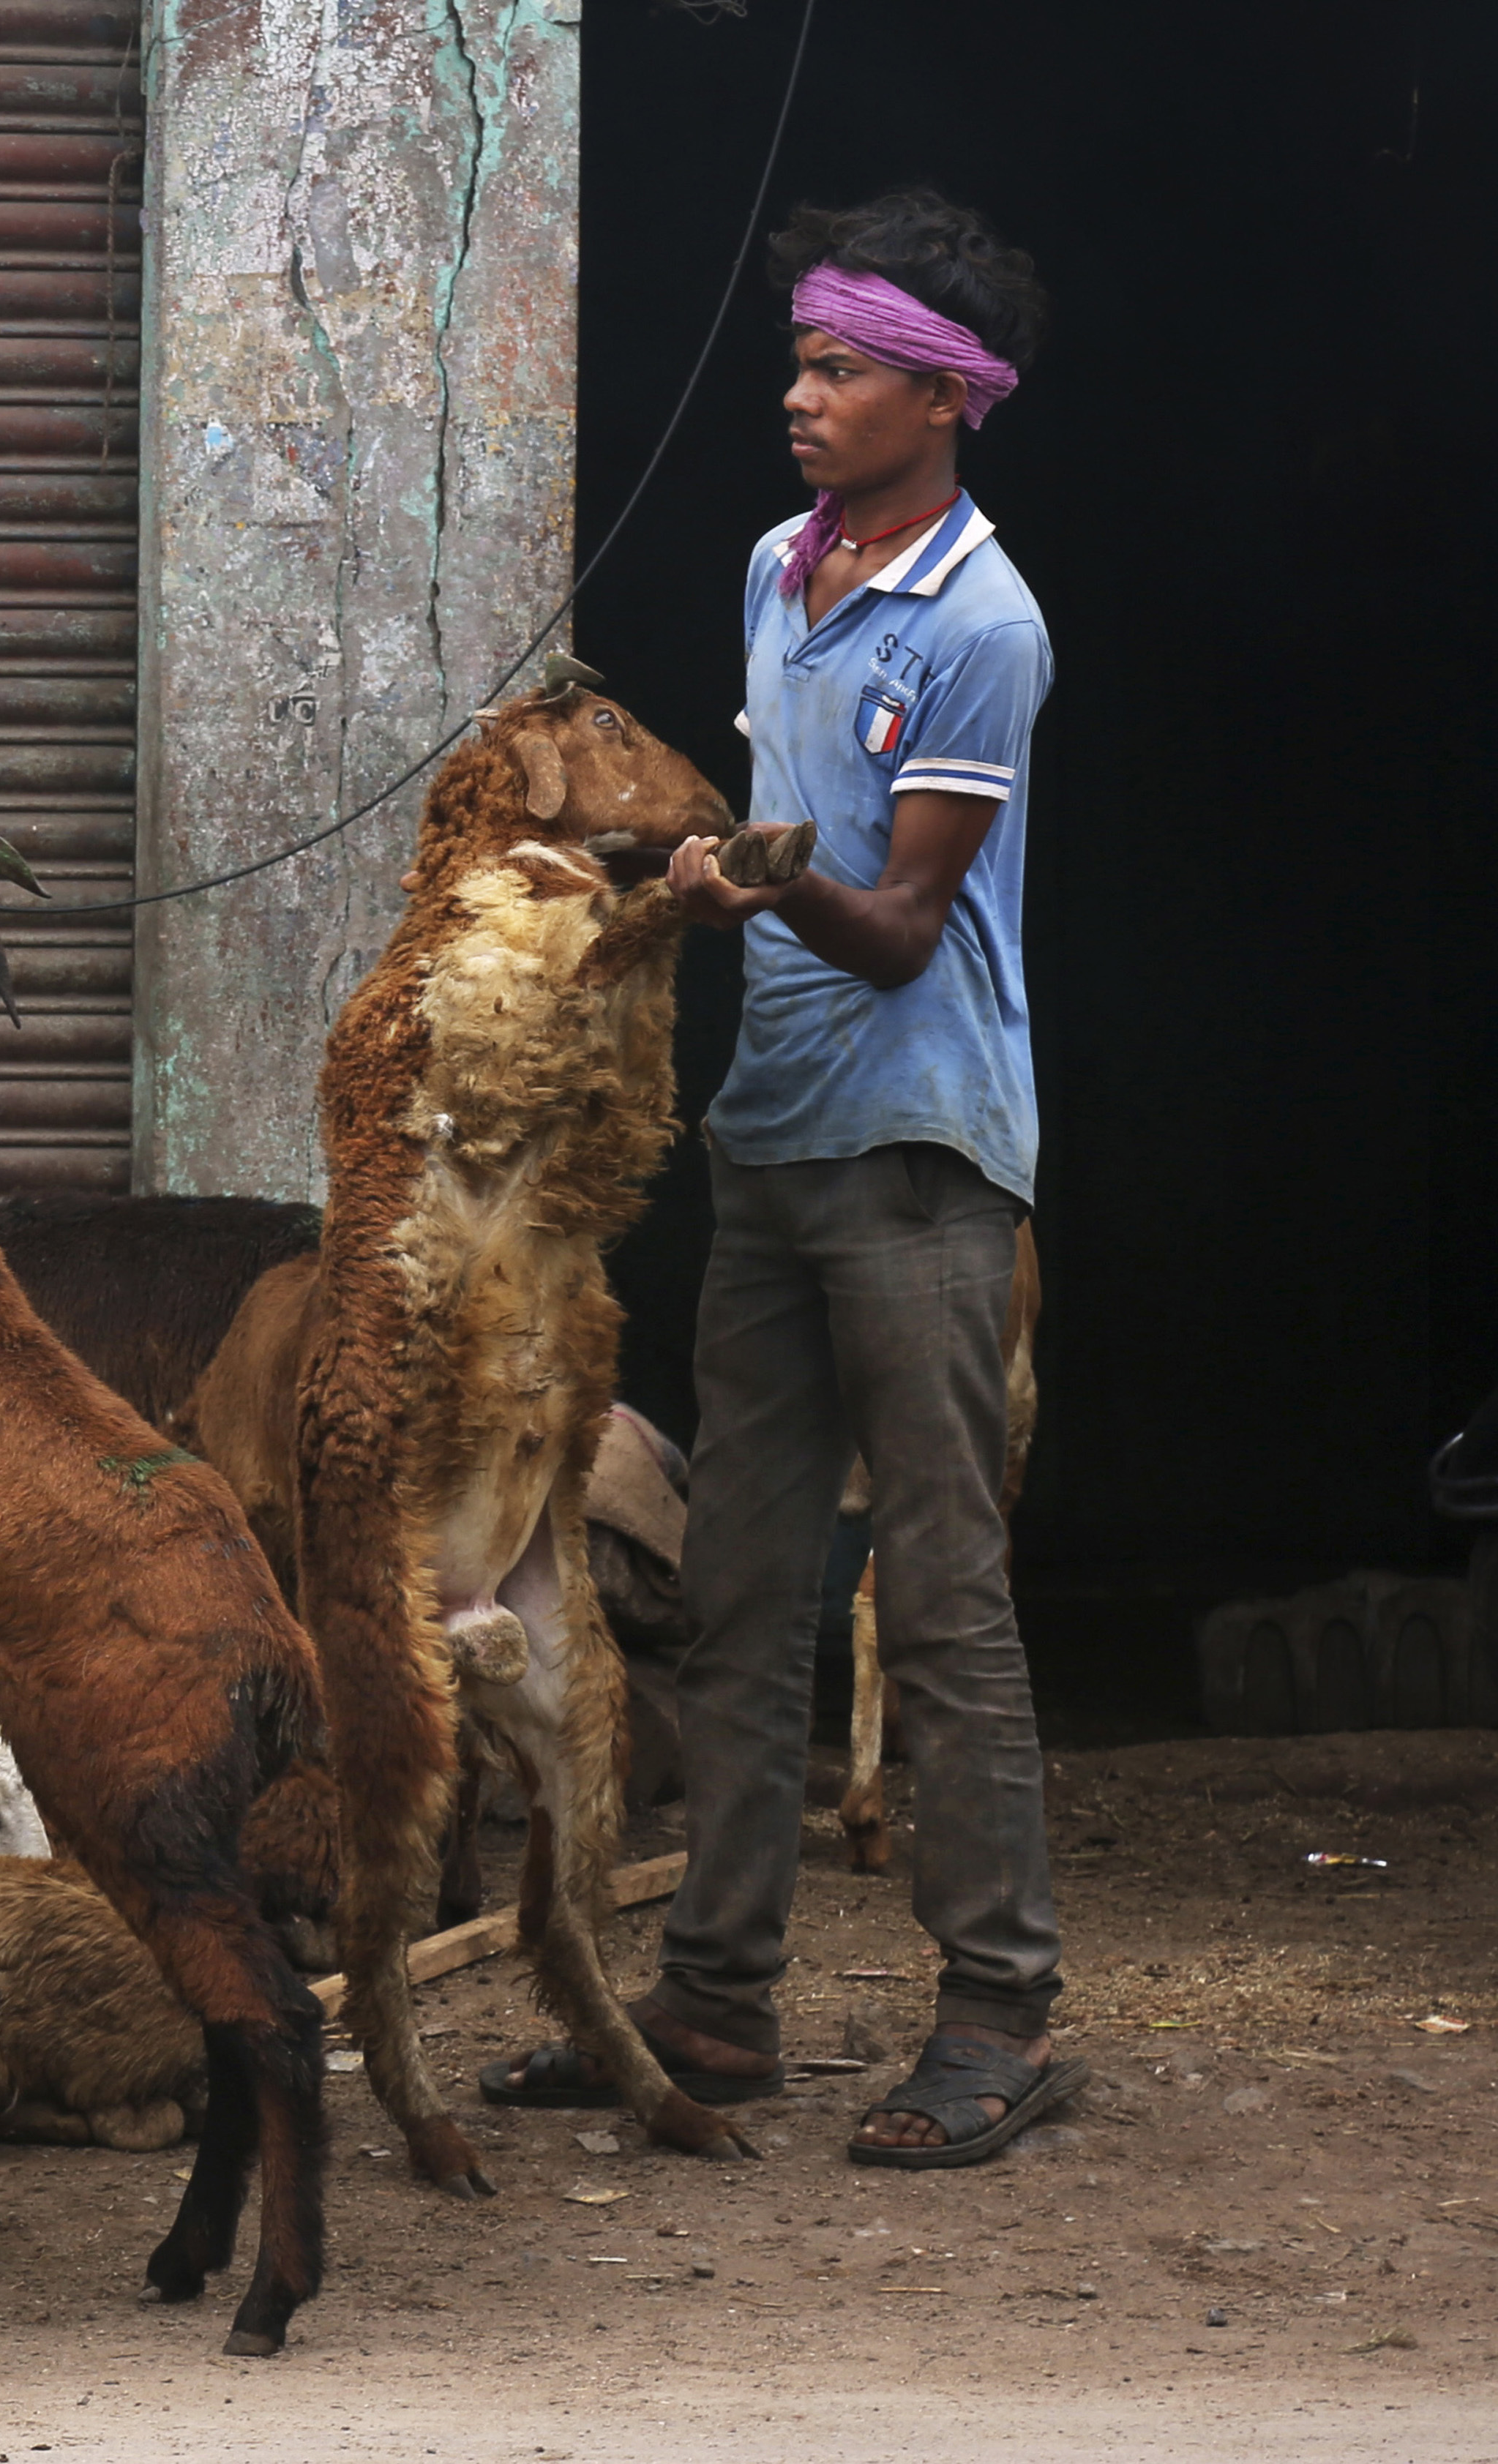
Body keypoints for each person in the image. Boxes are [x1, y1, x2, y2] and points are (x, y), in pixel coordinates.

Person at [483, 190, 1074, 2167]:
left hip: (921, 1158)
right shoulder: (779, 568)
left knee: (944, 1597)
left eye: (838, 369)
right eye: (802, 364)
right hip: (775, 1142)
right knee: (739, 1594)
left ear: (945, 396)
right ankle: (716, 2005)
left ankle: (997, 2016)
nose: (801, 397)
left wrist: (740, 866)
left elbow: (903, 924)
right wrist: (661, 884)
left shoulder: (984, 626)